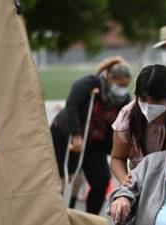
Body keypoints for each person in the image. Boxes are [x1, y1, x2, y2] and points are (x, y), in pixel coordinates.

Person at [50, 56, 132, 214]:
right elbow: (72, 105)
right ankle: (64, 215)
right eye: (119, 84)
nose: (122, 89)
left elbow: (120, 125)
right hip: (67, 136)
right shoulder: (90, 83)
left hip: (95, 143)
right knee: (68, 177)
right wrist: (76, 135)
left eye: (125, 86)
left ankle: (89, 218)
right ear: (109, 78)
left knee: (101, 181)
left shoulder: (123, 99)